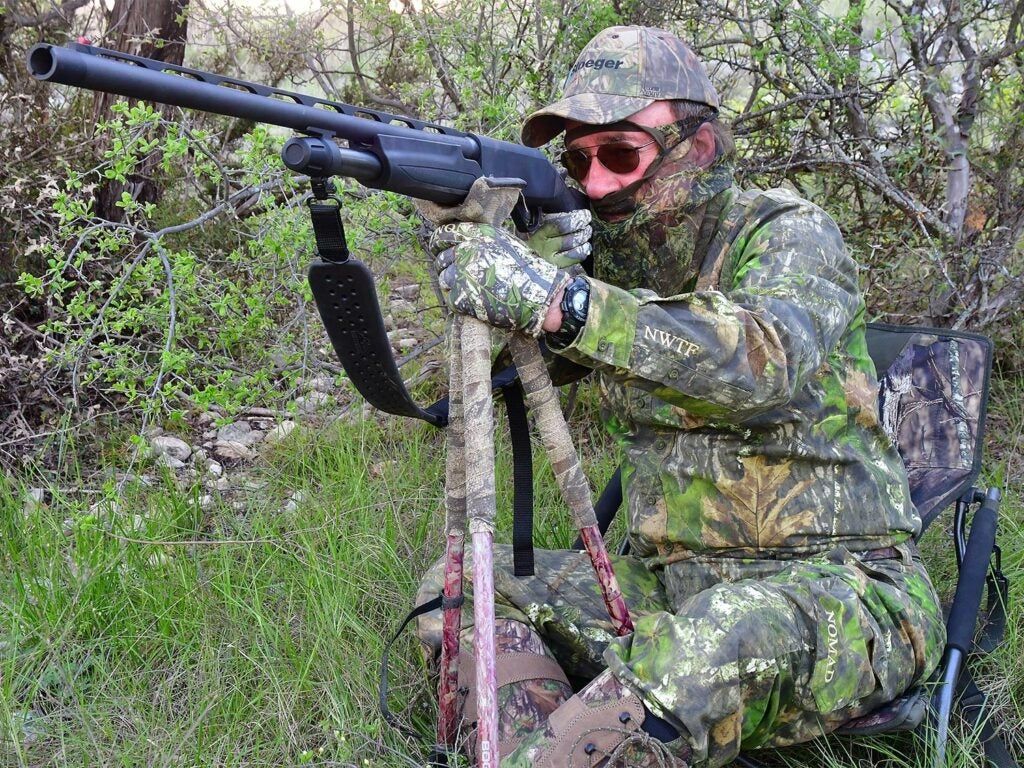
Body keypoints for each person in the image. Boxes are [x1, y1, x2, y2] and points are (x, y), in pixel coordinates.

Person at [415, 25, 945, 768]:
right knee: (463, 589)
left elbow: (760, 360)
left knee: (710, 643)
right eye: (578, 160)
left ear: (695, 147)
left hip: (842, 590)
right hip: (668, 585)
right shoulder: (609, 255)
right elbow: (508, 381)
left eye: (620, 154)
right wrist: (508, 278)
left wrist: (564, 300)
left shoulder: (787, 231)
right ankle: (540, 748)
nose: (598, 184)